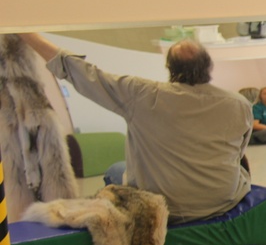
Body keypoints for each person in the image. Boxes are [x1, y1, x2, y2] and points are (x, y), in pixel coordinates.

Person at [16, 34, 252, 224]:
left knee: (115, 170)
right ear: (208, 66)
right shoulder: (239, 104)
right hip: (222, 200)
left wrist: (26, 32)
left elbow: (80, 72)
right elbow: (238, 152)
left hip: (165, 206)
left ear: (169, 67)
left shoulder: (141, 94)